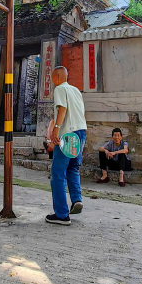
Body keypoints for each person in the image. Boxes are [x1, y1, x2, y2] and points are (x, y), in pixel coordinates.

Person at [46, 65, 87, 226]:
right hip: (81, 132)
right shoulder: (76, 90)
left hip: (68, 135)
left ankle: (62, 214)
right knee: (73, 168)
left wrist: (56, 129)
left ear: (56, 78)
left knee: (58, 173)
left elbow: (63, 108)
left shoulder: (60, 89)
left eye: (52, 79)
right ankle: (76, 199)